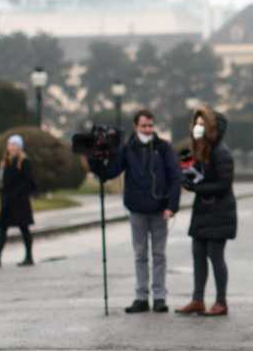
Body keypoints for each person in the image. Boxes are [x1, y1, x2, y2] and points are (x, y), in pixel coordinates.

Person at [89, 109, 181, 314]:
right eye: (144, 126)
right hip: (137, 209)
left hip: (159, 210)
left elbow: (175, 177)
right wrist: (95, 158)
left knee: (159, 255)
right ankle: (141, 296)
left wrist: (171, 206)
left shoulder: (164, 148)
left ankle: (159, 297)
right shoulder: (127, 148)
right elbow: (110, 172)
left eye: (150, 126)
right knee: (140, 254)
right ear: (136, 126)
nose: (148, 130)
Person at [175, 106, 236, 316]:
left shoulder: (222, 152)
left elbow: (223, 185)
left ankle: (221, 301)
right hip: (203, 209)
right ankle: (197, 299)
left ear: (212, 127)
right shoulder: (201, 150)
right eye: (196, 124)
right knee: (197, 254)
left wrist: (196, 188)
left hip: (219, 211)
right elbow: (199, 175)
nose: (197, 128)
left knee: (215, 256)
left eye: (202, 124)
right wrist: (187, 178)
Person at [0, 134, 36, 267]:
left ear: (19, 147)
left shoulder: (24, 161)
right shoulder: (5, 161)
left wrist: (16, 194)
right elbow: (3, 182)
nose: (11, 147)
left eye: (14, 144)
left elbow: (28, 182)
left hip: (20, 202)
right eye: (10, 144)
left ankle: (29, 257)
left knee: (24, 228)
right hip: (7, 201)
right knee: (2, 228)